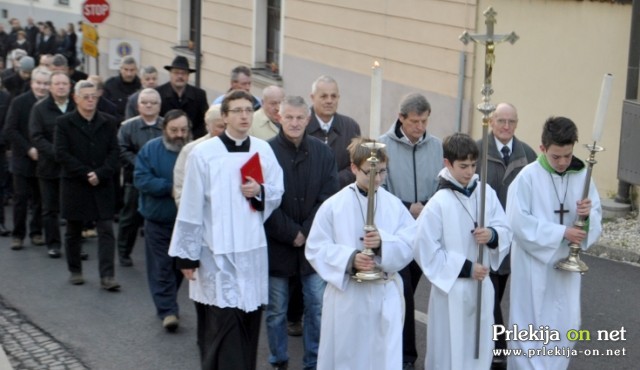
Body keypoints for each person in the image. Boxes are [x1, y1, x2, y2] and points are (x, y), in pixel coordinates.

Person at [168, 90, 284, 369]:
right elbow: (191, 205)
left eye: (248, 110)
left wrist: (260, 191)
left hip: (251, 251)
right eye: (237, 111)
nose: (244, 116)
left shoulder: (262, 149)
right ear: (224, 116)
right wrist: (187, 255)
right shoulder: (204, 153)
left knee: (248, 322)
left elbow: (278, 192)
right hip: (215, 252)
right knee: (222, 325)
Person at [305, 137, 415, 370]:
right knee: (348, 357)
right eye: (370, 172)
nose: (378, 179)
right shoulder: (334, 206)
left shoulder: (395, 205)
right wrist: (350, 259)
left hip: (384, 294)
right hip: (349, 298)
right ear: (354, 168)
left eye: (383, 172)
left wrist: (383, 244)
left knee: (382, 358)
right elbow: (316, 247)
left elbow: (410, 244)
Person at [506, 116, 602, 370]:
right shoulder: (527, 178)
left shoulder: (582, 175)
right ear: (543, 148)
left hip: (565, 269)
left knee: (565, 321)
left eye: (567, 156)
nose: (562, 163)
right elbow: (517, 222)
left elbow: (595, 217)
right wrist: (561, 232)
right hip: (534, 267)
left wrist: (586, 216)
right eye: (556, 156)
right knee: (530, 324)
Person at [413, 132, 511, 370]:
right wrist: (466, 267)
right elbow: (423, 248)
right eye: (463, 166)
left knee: (479, 348)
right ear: (447, 163)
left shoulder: (485, 192)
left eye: (473, 165)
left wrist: (492, 234)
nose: (469, 172)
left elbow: (504, 227)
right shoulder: (438, 203)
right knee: (450, 348)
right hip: (452, 291)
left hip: (482, 286)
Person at [264, 96, 339, 370]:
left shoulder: (323, 152)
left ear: (308, 119)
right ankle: (278, 359)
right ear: (278, 118)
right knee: (276, 311)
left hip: (313, 245)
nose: (294, 123)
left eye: (299, 118)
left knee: (317, 308)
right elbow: (263, 201)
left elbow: (328, 197)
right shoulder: (265, 152)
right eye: (289, 117)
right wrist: (290, 233)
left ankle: (313, 361)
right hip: (277, 244)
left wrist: (306, 231)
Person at [377, 92, 443, 370]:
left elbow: (441, 183)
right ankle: (405, 356)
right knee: (401, 291)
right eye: (414, 121)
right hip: (396, 232)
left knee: (412, 289)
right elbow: (380, 188)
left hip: (426, 229)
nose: (420, 127)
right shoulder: (382, 145)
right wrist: (407, 207)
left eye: (424, 121)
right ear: (401, 118)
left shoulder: (437, 146)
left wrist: (426, 208)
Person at [474, 102, 537, 369]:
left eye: (511, 122)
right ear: (491, 122)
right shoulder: (477, 151)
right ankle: (496, 348)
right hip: (488, 235)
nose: (506, 127)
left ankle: (496, 345)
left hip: (516, 239)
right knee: (489, 291)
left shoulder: (528, 155)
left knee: (506, 296)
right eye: (501, 121)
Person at [54, 80, 121, 291]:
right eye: (86, 96)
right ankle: (75, 270)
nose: (91, 100)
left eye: (94, 96)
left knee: (106, 230)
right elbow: (61, 153)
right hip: (75, 183)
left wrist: (100, 173)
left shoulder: (108, 122)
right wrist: (85, 173)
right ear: (76, 98)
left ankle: (107, 275)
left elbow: (114, 152)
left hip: (101, 183)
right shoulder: (64, 123)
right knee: (74, 229)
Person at [134, 109, 190, 332]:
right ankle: (168, 311)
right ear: (164, 129)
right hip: (157, 219)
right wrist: (170, 189)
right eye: (174, 130)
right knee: (161, 267)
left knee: (179, 267)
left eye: (183, 130)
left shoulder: (193, 151)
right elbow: (141, 178)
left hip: (184, 222)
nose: (179, 134)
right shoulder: (150, 149)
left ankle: (168, 302)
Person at [29, 71, 76, 258]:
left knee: (73, 208)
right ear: (50, 86)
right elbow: (36, 136)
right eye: (57, 84)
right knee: (49, 208)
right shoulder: (39, 109)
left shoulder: (75, 106)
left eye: (64, 84)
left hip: (72, 167)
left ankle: (74, 245)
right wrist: (57, 153)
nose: (61, 87)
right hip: (48, 166)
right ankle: (54, 244)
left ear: (70, 86)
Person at [3, 66, 50, 251]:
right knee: (21, 199)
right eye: (38, 83)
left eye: (45, 84)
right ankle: (18, 235)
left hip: (44, 159)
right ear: (32, 83)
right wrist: (28, 148)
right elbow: (10, 130)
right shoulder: (19, 102)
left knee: (40, 199)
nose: (42, 87)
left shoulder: (50, 104)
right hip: (22, 158)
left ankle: (36, 232)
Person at [116, 88, 164, 266]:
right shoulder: (127, 126)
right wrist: (141, 165)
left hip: (159, 180)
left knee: (158, 218)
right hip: (134, 180)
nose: (149, 106)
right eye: (145, 102)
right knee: (129, 218)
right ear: (138, 106)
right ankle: (123, 252)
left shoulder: (167, 125)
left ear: (160, 106)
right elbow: (121, 150)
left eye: (153, 102)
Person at [305, 75, 361, 188]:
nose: (329, 101)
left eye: (333, 96)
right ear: (312, 97)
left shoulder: (350, 127)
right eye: (324, 96)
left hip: (340, 194)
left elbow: (358, 163)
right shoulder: (301, 126)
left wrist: (336, 180)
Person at [173, 104, 225, 207]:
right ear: (208, 126)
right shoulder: (191, 150)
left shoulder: (240, 148)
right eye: (220, 127)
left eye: (228, 126)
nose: (225, 131)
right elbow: (180, 188)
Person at [157, 56, 208, 138]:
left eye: (183, 73)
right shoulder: (159, 93)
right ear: (170, 74)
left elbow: (204, 122)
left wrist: (189, 138)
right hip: (165, 141)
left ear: (188, 76)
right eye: (176, 73)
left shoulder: (199, 95)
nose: (180, 76)